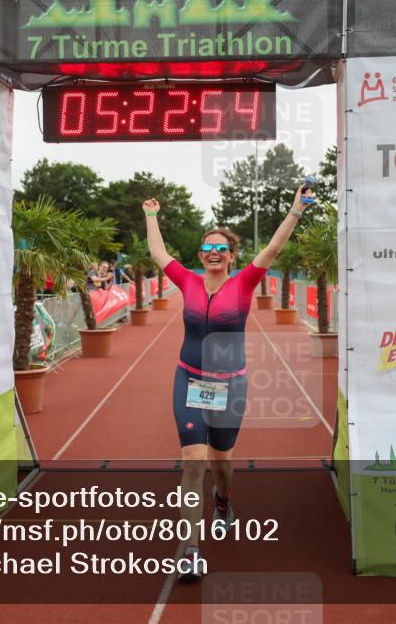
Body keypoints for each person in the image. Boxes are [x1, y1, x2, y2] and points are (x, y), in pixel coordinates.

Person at [142, 182, 313, 580]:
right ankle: (190, 550)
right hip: (188, 380)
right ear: (201, 255)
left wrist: (296, 210)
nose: (214, 252)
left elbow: (273, 248)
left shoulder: (245, 283)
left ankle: (223, 500)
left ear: (232, 256)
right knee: (193, 461)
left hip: (229, 386)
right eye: (208, 247)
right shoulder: (187, 281)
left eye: (221, 248)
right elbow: (159, 253)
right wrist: (151, 216)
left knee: (221, 463)